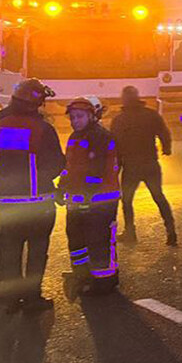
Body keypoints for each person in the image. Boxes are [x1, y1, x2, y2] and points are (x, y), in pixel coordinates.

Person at [0, 78, 64, 313]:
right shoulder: (43, 129)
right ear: (36, 102)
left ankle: (11, 300)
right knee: (37, 252)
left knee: (11, 251)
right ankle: (32, 299)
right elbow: (57, 162)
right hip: (38, 203)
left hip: (8, 202)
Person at [58, 97, 121, 299]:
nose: (75, 121)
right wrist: (61, 187)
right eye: (73, 117)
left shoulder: (101, 136)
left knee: (99, 240)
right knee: (75, 238)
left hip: (101, 200)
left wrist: (87, 195)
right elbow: (70, 167)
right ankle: (82, 275)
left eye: (79, 117)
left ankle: (105, 281)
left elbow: (97, 170)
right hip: (79, 200)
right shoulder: (75, 137)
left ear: (91, 116)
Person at [110, 85, 177, 246]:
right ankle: (171, 230)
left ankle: (130, 232)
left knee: (126, 200)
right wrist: (166, 148)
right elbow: (164, 132)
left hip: (131, 167)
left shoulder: (119, 120)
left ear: (124, 100)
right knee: (158, 196)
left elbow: (115, 147)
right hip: (150, 164)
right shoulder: (151, 115)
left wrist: (115, 169)